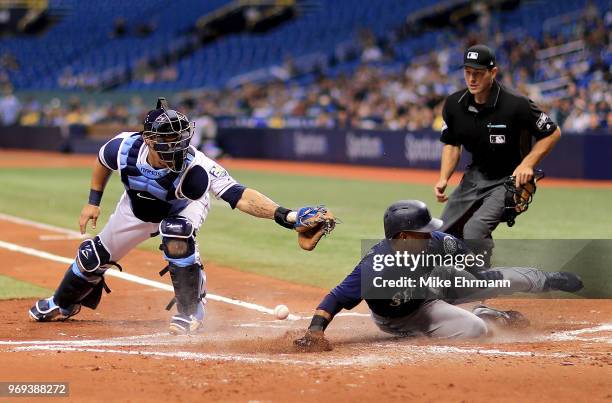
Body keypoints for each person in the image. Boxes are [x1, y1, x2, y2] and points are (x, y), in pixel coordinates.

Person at [29, 98, 334, 335]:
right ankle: (63, 304)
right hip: (135, 208)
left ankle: (191, 310)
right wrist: (93, 202)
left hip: (182, 206)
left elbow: (238, 194)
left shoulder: (197, 166)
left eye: (180, 140)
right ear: (148, 139)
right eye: (167, 142)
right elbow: (102, 162)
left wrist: (288, 216)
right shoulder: (123, 148)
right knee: (91, 257)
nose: (177, 148)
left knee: (176, 231)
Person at [294, 200, 583, 350]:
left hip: (435, 284)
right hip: (404, 315)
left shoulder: (436, 242)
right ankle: (486, 314)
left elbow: (472, 263)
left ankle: (545, 279)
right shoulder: (376, 268)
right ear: (404, 236)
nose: (431, 233)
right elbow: (335, 298)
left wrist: (475, 277)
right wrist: (315, 332)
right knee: (475, 330)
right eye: (424, 230)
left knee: (489, 279)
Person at [434, 44, 561, 242]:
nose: (472, 79)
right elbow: (451, 144)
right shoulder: (453, 105)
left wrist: (528, 164)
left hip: (509, 179)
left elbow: (552, 133)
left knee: (475, 230)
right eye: (467, 72)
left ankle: (481, 273)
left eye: (478, 73)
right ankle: (458, 271)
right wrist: (443, 178)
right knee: (444, 234)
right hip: (475, 176)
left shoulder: (517, 104)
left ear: (493, 72)